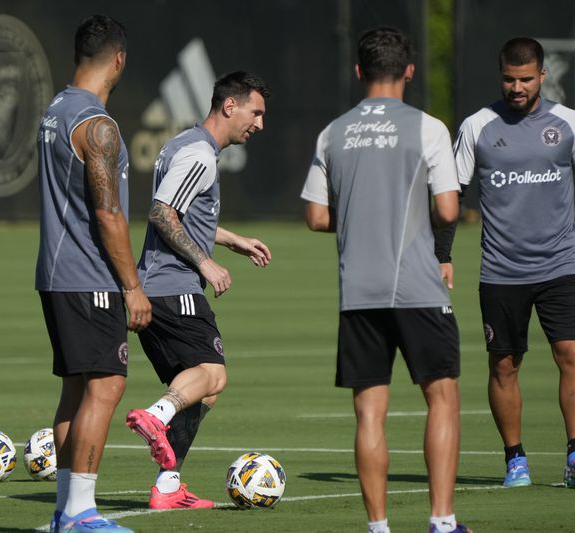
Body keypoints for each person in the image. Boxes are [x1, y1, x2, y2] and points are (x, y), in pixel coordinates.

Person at [302, 28, 470, 533]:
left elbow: (314, 216)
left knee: (369, 413)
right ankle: (442, 523)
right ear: (410, 71)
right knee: (442, 397)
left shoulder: (333, 132)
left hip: (359, 292)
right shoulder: (429, 128)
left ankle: (378, 527)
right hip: (418, 287)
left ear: (359, 72)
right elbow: (446, 207)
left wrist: (361, 215)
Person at [125, 71, 272, 510]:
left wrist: (232, 241)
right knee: (216, 374)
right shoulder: (200, 155)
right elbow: (162, 213)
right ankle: (157, 414)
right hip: (174, 287)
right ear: (230, 106)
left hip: (159, 285)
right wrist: (205, 261)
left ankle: (168, 486)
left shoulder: (185, 144)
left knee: (201, 390)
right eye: (256, 112)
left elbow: (189, 215)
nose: (260, 124)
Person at [35, 15, 151, 533]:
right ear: (119, 59)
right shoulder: (97, 124)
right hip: (90, 276)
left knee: (77, 391)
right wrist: (132, 287)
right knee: (106, 387)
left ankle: (65, 511)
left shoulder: (56, 109)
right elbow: (108, 214)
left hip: (57, 274)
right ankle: (81, 512)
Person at [450, 37, 575, 489]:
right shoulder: (477, 126)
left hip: (563, 265)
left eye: (525, 79)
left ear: (543, 76)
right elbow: (452, 193)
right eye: (508, 78)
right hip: (501, 271)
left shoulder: (567, 124)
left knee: (571, 355)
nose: (516, 87)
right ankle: (515, 459)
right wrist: (441, 255)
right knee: (504, 364)